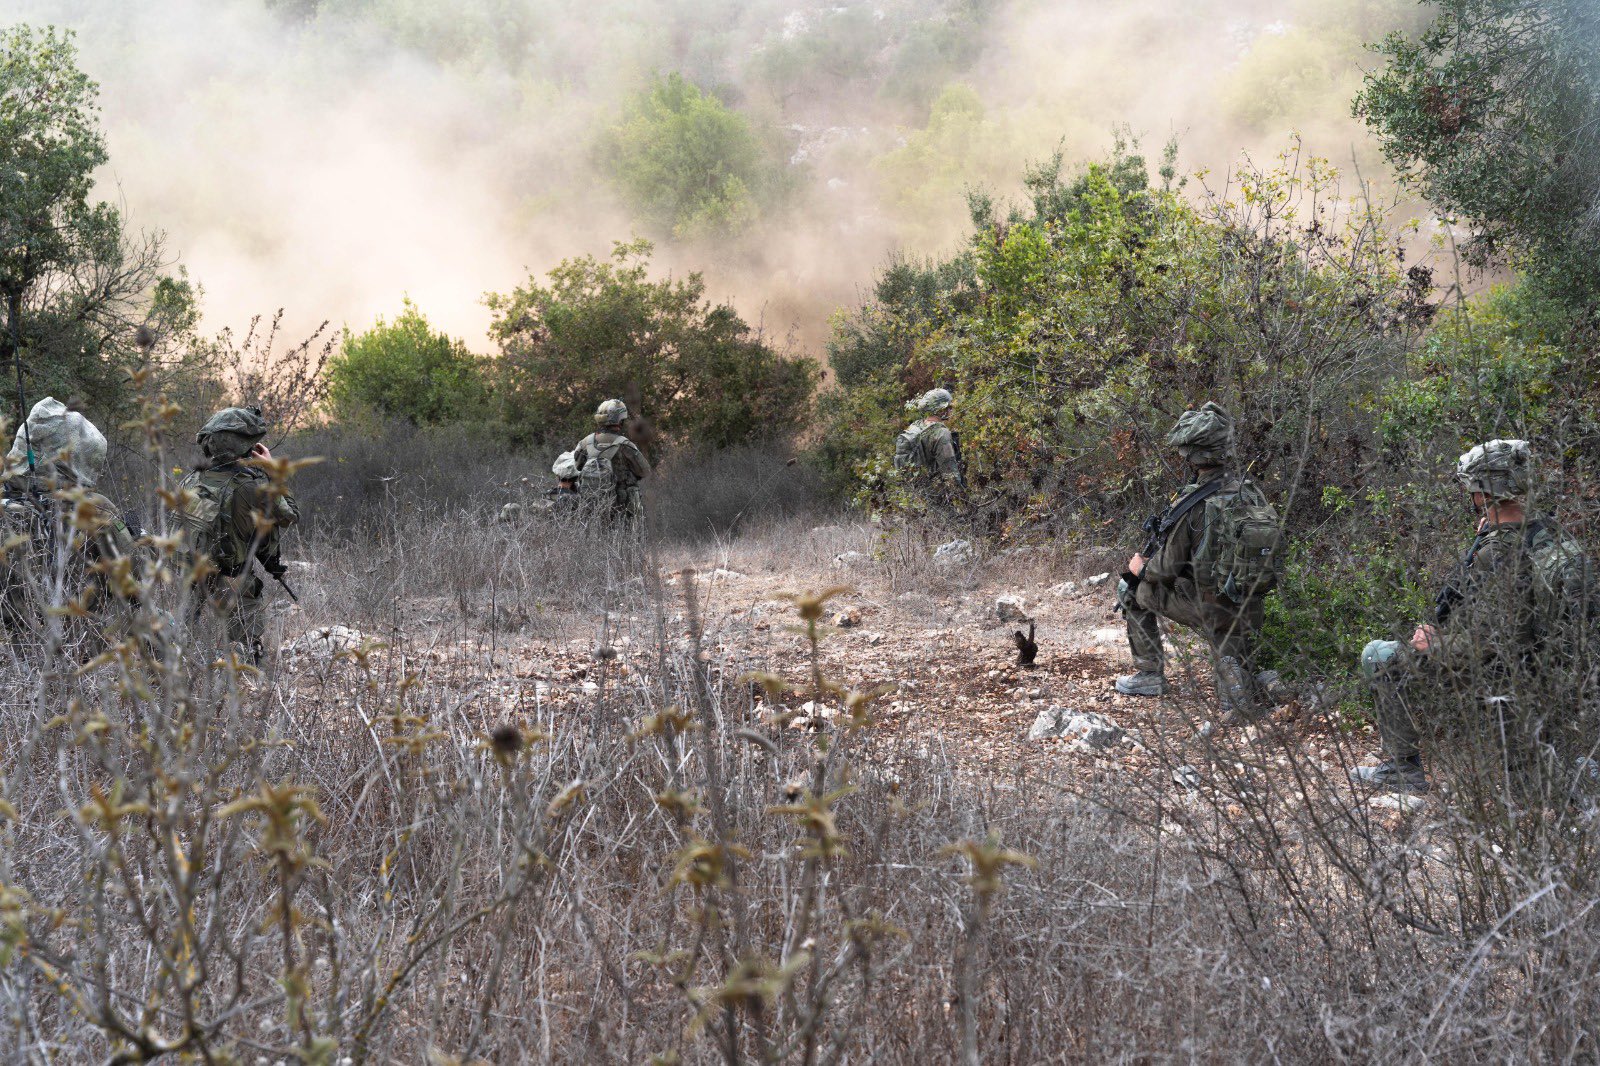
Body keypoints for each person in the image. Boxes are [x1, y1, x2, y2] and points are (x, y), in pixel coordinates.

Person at [1352, 440, 1595, 795]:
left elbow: (1492, 643)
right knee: (1532, 790)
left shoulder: (1498, 551)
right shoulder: (1549, 531)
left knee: (1381, 655)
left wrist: (1434, 644)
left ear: (1482, 492)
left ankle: (1401, 770)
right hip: (1557, 671)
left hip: (1510, 674)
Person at [1114, 402, 1281, 721]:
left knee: (1130, 588)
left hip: (1210, 610)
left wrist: (1139, 568)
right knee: (1236, 676)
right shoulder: (1249, 491)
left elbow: (1164, 570)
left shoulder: (1194, 503)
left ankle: (1149, 675)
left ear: (1192, 456)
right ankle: (1249, 682)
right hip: (1250, 609)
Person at [1, 397, 138, 639]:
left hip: (12, 653)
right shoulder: (93, 508)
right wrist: (138, 538)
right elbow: (136, 582)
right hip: (77, 650)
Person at [175, 406, 299, 663]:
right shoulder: (252, 487)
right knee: (245, 652)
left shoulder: (190, 481)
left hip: (193, 571)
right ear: (247, 448)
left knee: (182, 637)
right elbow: (290, 515)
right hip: (233, 579)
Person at [570, 399, 649, 523]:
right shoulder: (625, 445)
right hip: (620, 507)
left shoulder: (585, 443)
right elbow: (644, 471)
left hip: (591, 505)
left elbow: (577, 466)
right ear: (620, 420)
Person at [893, 388, 963, 500]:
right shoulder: (941, 434)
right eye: (949, 408)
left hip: (913, 498)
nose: (951, 411)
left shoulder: (915, 427)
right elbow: (950, 474)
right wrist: (963, 501)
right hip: (937, 498)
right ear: (941, 410)